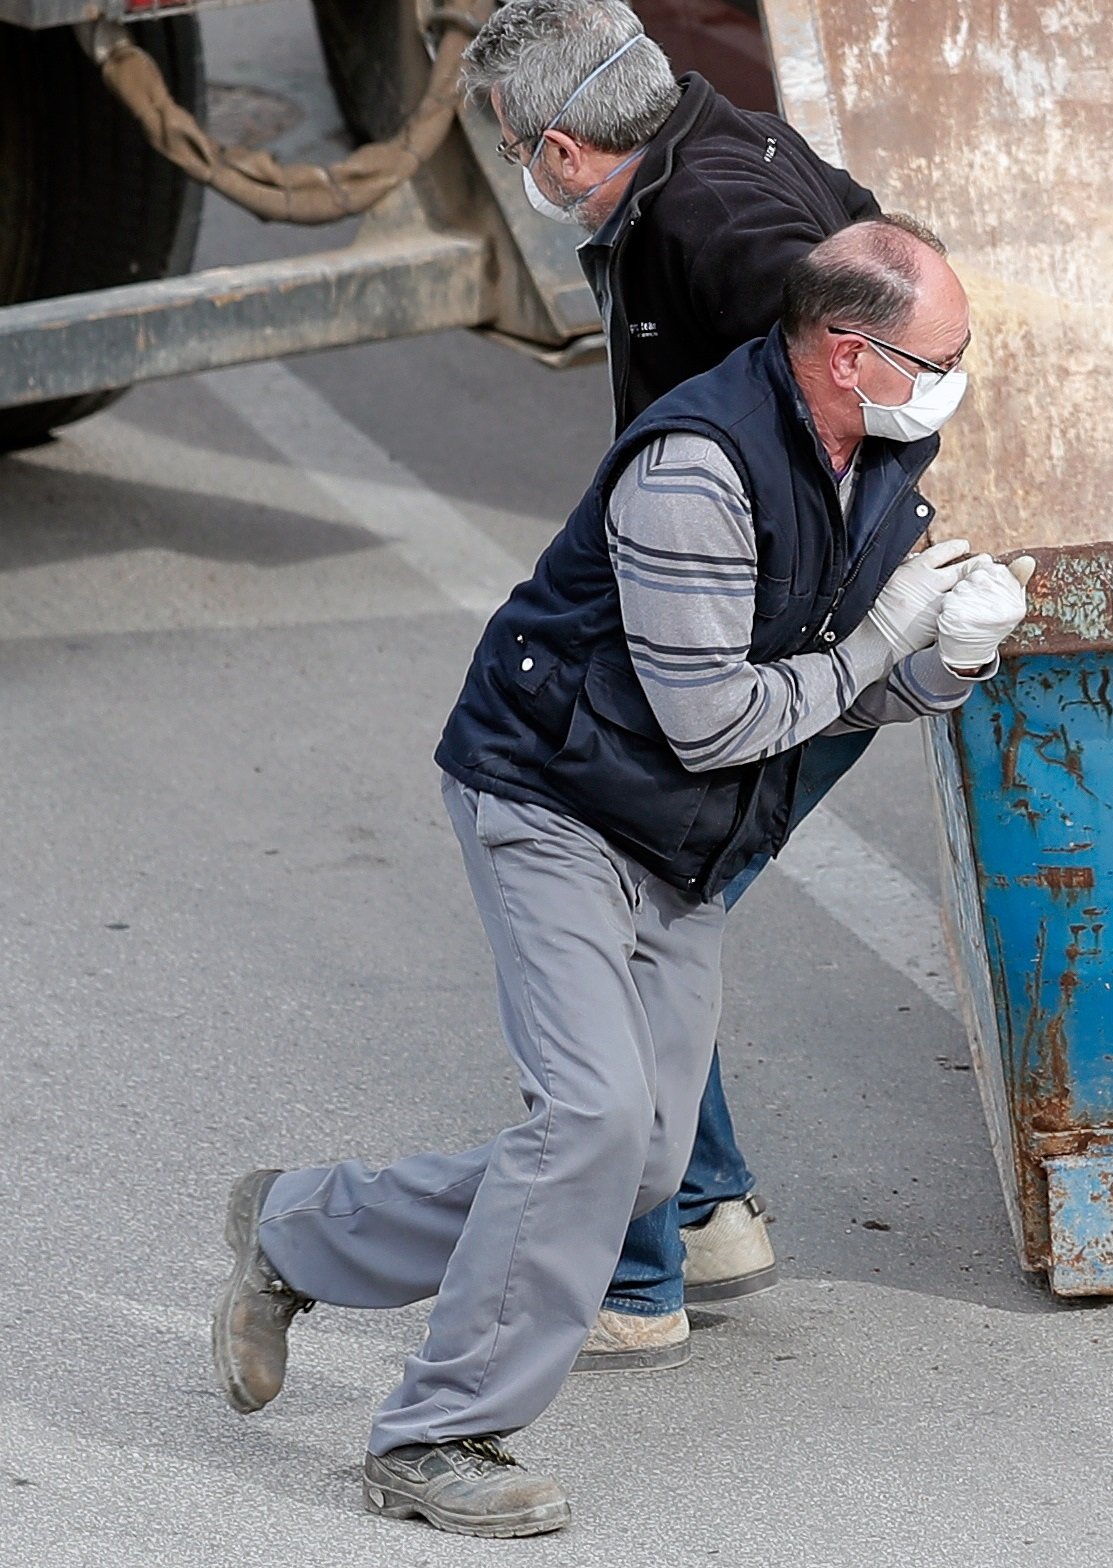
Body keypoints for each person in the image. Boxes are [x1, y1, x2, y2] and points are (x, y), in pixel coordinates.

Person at [211, 218, 1032, 1537]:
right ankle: (437, 1436)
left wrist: (954, 663)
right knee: (591, 1124)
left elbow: (838, 694)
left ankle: (303, 1232)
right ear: (846, 350)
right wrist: (887, 636)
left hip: (681, 838)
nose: (958, 378)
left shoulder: (880, 451)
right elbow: (718, 720)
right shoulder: (695, 472)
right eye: (940, 356)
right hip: (560, 807)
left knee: (642, 1162)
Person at [454, 0, 898, 1369]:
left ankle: (639, 1276)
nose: (532, 177)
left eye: (522, 154)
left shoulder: (717, 217)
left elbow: (839, 337)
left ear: (562, 150)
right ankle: (701, 1210)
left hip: (772, 651)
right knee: (664, 907)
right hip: (789, 628)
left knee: (628, 910)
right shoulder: (727, 152)